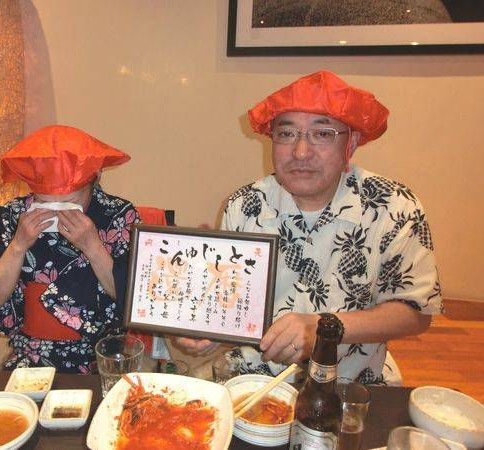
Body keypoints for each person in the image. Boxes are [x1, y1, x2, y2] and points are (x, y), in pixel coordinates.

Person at [174, 71, 442, 384]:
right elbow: (230, 301)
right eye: (287, 134)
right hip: (252, 377)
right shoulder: (245, 204)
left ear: (351, 143)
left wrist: (326, 326)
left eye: (322, 134)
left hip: (349, 380)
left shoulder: (393, 206)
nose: (301, 152)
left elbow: (416, 312)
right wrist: (204, 325)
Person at [0, 125, 139, 373]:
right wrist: (18, 245)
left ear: (95, 179)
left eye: (69, 203)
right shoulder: (15, 214)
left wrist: (93, 247)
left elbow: (132, 297)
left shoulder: (119, 215)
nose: (57, 212)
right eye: (44, 202)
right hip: (30, 356)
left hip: (102, 356)